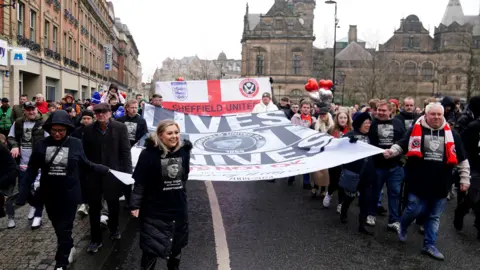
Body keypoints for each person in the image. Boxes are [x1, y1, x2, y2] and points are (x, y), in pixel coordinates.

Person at [17, 110, 109, 270]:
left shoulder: (75, 143)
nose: (57, 134)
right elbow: (32, 169)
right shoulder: (42, 145)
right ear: (49, 129)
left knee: (64, 228)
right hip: (49, 194)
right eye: (54, 130)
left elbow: (85, 163)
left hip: (69, 194)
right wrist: (23, 193)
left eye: (61, 130)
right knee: (58, 227)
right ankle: (69, 246)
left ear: (67, 129)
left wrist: (102, 168)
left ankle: (62, 262)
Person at [384, 102, 470, 260]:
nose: (436, 117)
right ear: (426, 114)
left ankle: (430, 245)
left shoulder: (452, 134)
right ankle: (403, 225)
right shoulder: (415, 130)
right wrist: (392, 151)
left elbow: (462, 159)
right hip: (418, 181)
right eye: (433, 114)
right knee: (414, 209)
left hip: (441, 184)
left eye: (439, 114)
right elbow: (402, 145)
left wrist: (465, 179)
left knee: (434, 216)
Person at [130, 119, 192, 270]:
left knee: (176, 248)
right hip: (155, 210)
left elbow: (184, 177)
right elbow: (140, 182)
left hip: (178, 208)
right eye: (169, 133)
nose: (174, 136)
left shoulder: (184, 151)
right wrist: (135, 205)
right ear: (160, 135)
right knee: (151, 249)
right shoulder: (148, 155)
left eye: (176, 133)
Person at [82, 103, 132, 253]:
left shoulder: (120, 128)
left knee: (113, 205)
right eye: (98, 112)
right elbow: (84, 154)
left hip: (114, 174)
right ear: (94, 114)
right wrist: (86, 174)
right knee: (94, 208)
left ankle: (114, 228)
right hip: (94, 175)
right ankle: (95, 239)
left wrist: (127, 175)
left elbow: (125, 152)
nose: (101, 115)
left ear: (110, 113)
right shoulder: (88, 129)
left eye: (104, 112)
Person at [7, 101, 48, 229]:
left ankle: (38, 215)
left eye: (33, 109)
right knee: (24, 188)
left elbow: (49, 140)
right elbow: (11, 137)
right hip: (23, 161)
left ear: (37, 110)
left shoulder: (43, 123)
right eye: (28, 109)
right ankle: (34, 205)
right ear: (24, 111)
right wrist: (14, 146)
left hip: (39, 162)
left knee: (38, 188)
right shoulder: (18, 123)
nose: (31, 112)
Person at [340, 112, 377, 235]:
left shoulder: (372, 135)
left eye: (369, 123)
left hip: (368, 174)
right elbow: (340, 149)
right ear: (359, 124)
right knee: (350, 196)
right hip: (354, 173)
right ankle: (343, 211)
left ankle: (362, 225)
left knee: (366, 199)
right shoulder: (350, 135)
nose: (368, 125)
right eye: (366, 123)